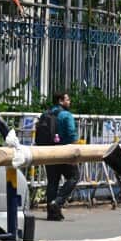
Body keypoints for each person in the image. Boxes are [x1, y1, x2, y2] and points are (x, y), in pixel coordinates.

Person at [42, 91, 79, 221]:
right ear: (60, 101)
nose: (69, 102)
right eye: (67, 100)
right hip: (64, 152)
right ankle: (57, 202)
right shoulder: (66, 115)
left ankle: (52, 213)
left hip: (48, 152)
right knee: (74, 177)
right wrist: (75, 155)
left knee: (52, 181)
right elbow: (72, 135)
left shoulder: (45, 114)